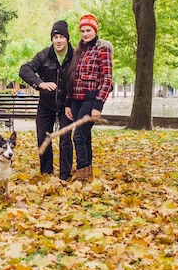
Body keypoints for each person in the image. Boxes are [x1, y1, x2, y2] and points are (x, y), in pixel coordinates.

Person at [19, 21, 74, 181]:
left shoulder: (75, 56)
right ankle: (46, 173)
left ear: (67, 39)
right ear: (52, 39)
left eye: (61, 37)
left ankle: (65, 176)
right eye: (55, 37)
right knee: (43, 137)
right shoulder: (44, 55)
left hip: (66, 105)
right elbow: (24, 69)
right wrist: (40, 83)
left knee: (65, 140)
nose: (58, 40)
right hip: (46, 104)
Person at [64, 13, 113, 183]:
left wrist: (98, 104)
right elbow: (72, 78)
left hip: (90, 99)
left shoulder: (103, 49)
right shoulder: (80, 51)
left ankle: (81, 178)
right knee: (85, 137)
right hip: (76, 100)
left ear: (95, 30)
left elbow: (107, 79)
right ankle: (88, 174)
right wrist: (68, 103)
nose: (85, 34)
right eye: (83, 30)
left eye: (88, 30)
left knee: (78, 136)